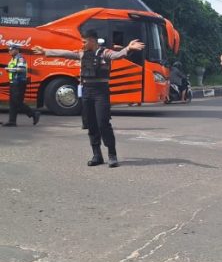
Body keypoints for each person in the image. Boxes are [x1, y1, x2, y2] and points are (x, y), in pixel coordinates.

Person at [33, 30, 145, 168]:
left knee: (103, 123)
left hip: (101, 92)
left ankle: (112, 155)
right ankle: (97, 155)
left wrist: (128, 48)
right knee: (91, 124)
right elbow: (65, 53)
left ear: (92, 40)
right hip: (86, 91)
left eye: (85, 41)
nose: (83, 44)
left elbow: (117, 55)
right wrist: (46, 51)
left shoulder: (105, 53)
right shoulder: (82, 54)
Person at [3, 43, 40, 127]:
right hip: (13, 82)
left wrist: (10, 69)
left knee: (17, 102)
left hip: (19, 83)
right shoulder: (13, 59)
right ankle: (12, 121)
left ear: (16, 50)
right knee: (12, 102)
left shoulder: (20, 58)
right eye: (9, 49)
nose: (10, 51)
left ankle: (34, 114)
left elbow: (21, 69)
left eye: (11, 49)